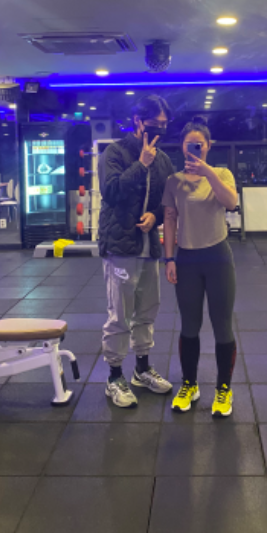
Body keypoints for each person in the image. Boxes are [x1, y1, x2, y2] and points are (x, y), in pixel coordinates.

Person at [98, 95, 175, 408]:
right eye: (154, 124)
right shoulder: (115, 153)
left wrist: (155, 216)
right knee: (120, 313)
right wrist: (141, 163)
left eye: (164, 125)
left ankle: (142, 369)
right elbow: (111, 191)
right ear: (138, 122)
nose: (159, 131)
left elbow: (167, 200)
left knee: (147, 310)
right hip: (120, 244)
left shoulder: (164, 160)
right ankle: (114, 376)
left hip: (149, 246)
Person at [162, 119, 238, 417]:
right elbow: (170, 219)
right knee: (189, 326)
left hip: (218, 257)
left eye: (199, 144)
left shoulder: (221, 174)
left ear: (208, 146)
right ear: (182, 147)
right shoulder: (174, 181)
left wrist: (207, 172)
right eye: (189, 144)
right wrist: (169, 258)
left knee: (222, 326)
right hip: (187, 259)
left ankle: (223, 389)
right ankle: (189, 384)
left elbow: (230, 203)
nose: (194, 149)